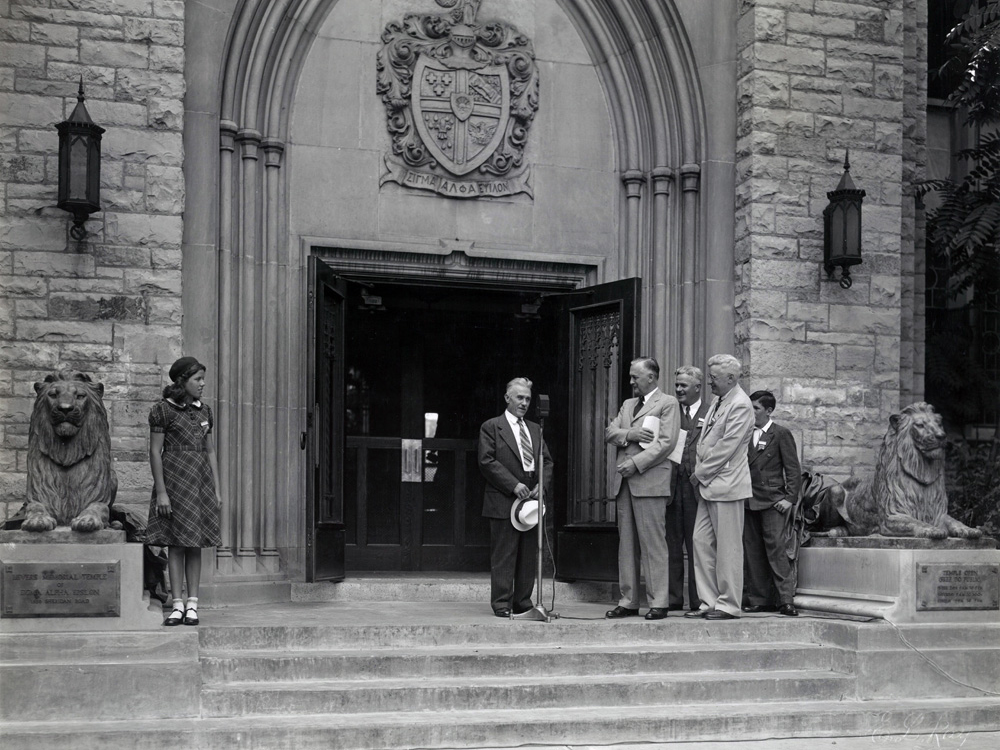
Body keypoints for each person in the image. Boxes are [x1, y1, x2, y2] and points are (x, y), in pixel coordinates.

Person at [145, 357, 222, 626]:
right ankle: (176, 604)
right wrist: (162, 493)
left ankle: (193, 604)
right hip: (174, 482)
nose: (202, 384)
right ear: (182, 381)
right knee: (176, 544)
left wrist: (217, 490)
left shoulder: (205, 412)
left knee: (195, 544)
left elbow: (210, 451)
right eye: (197, 379)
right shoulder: (162, 411)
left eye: (203, 378)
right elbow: (155, 452)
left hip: (200, 483)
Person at [604, 357, 681, 620]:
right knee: (626, 545)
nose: (631, 381)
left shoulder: (668, 403)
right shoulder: (628, 404)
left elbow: (667, 443)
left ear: (651, 377)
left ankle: (659, 601)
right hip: (624, 483)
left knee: (653, 544)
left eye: (635, 377)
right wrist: (631, 435)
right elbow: (610, 432)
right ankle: (628, 601)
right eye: (630, 376)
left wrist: (635, 463)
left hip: (648, 480)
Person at [685, 354, 754, 621]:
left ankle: (729, 605)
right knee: (700, 541)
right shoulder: (719, 400)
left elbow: (727, 446)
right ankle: (709, 602)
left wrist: (699, 473)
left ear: (731, 378)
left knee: (728, 548)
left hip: (727, 485)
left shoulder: (741, 404)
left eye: (714, 378)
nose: (710, 382)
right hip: (711, 485)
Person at [478, 377, 553, 618]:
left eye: (528, 399)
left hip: (530, 500)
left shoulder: (534, 428)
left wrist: (541, 485)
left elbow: (547, 461)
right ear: (507, 398)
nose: (524, 403)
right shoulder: (492, 426)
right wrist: (513, 485)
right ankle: (502, 603)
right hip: (503, 498)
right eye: (519, 398)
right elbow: (487, 461)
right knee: (504, 553)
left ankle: (522, 601)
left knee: (527, 554)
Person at [743, 390, 802, 616]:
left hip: (772, 502)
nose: (752, 412)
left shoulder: (781, 434)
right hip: (748, 500)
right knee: (753, 551)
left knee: (776, 551)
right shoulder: (746, 433)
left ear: (768, 411)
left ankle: (785, 600)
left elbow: (793, 469)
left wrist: (789, 499)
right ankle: (760, 599)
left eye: (756, 408)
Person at [666, 365, 712, 612]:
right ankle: (673, 599)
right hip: (672, 488)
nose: (679, 389)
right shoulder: (670, 411)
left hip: (698, 490)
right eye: (677, 385)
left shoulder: (710, 411)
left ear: (697, 387)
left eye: (684, 385)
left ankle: (698, 600)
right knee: (672, 545)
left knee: (698, 546)